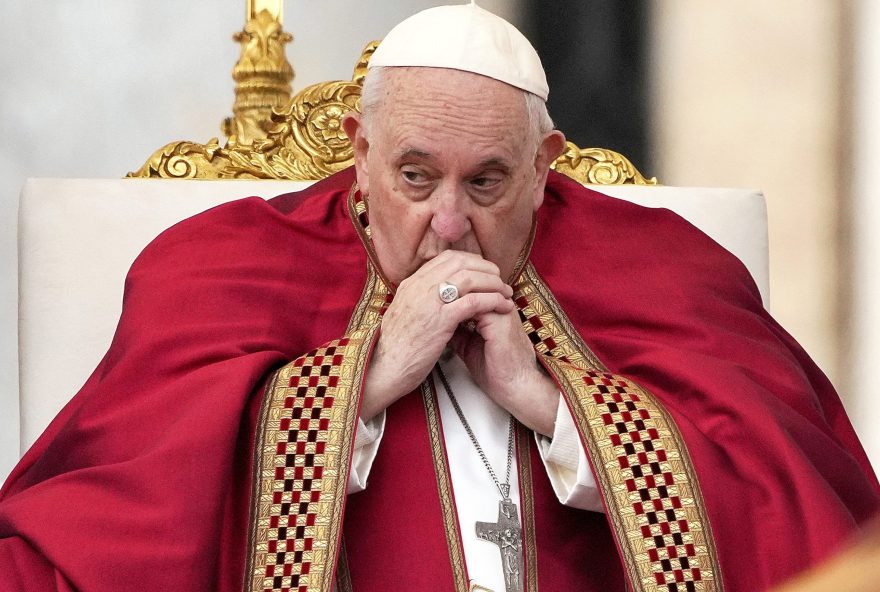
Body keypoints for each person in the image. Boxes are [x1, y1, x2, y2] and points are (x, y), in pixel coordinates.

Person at [1, 3, 878, 591]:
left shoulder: (667, 270)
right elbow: (119, 521)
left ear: (544, 165)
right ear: (358, 149)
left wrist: (558, 406)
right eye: (414, 177)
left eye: (488, 182)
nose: (449, 222)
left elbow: (798, 512)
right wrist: (361, 381)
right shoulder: (219, 266)